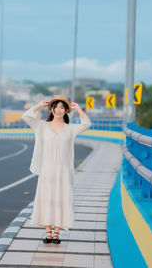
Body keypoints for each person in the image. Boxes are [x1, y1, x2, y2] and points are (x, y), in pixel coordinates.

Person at [22, 95, 92, 244]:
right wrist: (38, 105)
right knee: (47, 198)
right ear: (52, 109)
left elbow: (86, 124)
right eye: (56, 107)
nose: (58, 110)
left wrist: (78, 108)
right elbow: (26, 117)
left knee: (61, 199)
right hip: (47, 169)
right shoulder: (42, 126)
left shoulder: (70, 128)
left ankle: (57, 233)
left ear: (66, 110)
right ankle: (48, 233)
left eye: (62, 107)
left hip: (63, 171)